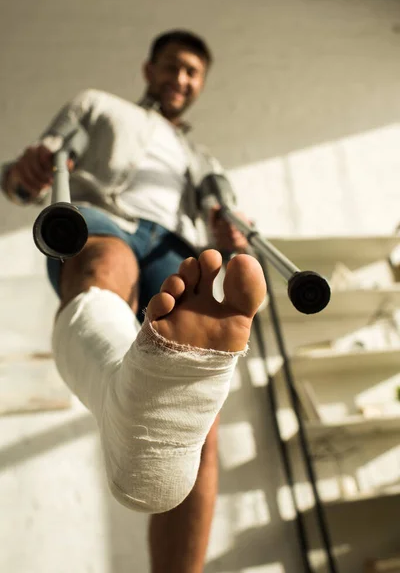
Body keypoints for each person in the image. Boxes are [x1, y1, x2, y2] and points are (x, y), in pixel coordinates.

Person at [1, 29, 267, 573]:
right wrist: (21, 173)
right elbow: (33, 173)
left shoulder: (203, 160)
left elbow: (224, 229)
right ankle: (125, 399)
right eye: (172, 66)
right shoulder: (97, 106)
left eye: (193, 72)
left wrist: (231, 236)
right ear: (149, 70)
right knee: (104, 268)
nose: (181, 78)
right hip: (103, 218)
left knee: (199, 428)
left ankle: (148, 404)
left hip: (176, 246)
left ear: (200, 86)